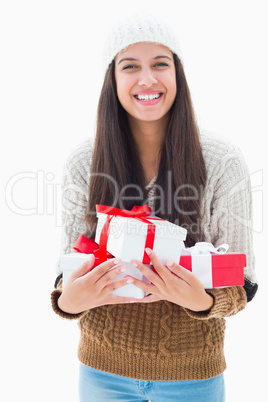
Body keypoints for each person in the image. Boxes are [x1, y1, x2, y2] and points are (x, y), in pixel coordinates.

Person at [51, 15, 258, 402]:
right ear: (112, 80)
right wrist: (66, 301)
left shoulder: (222, 160)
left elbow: (243, 281)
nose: (147, 79)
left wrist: (203, 300)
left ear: (178, 74)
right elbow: (65, 275)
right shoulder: (85, 160)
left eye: (160, 64)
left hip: (193, 376)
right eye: (130, 66)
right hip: (101, 374)